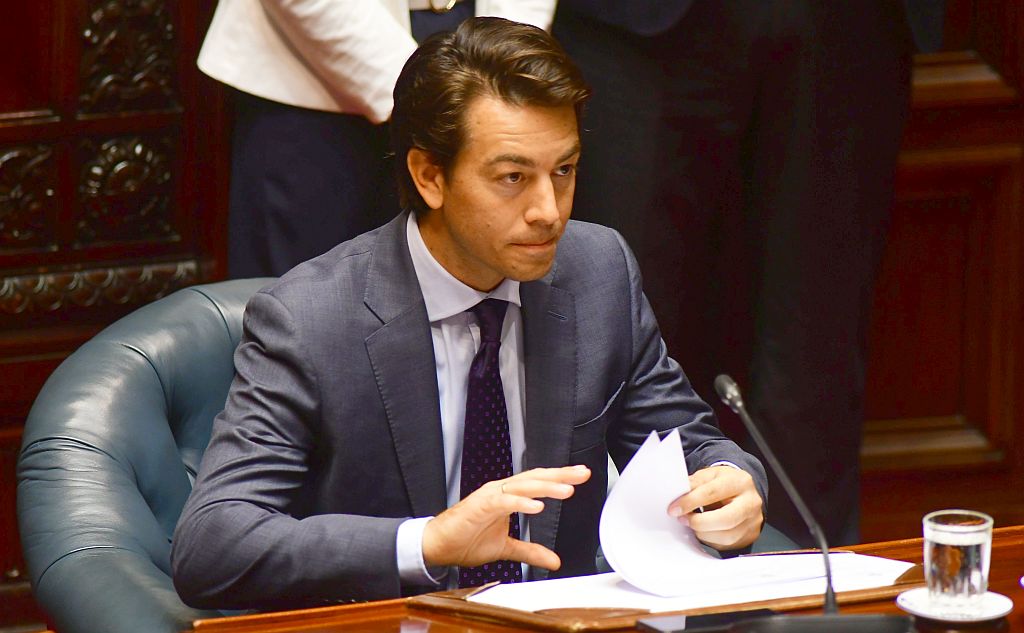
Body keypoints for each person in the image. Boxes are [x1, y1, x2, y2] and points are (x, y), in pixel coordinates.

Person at [172, 18, 767, 610]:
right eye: (512, 177)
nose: (548, 211)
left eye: (563, 170)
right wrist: (427, 543)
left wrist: (732, 483)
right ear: (430, 176)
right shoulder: (311, 318)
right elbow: (213, 546)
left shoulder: (598, 271)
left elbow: (688, 443)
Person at [553, 1, 918, 547]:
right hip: (636, 28)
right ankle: (629, 566)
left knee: (818, 336)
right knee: (621, 305)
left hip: (846, 21)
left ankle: (803, 589)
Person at [198, 0, 557, 278]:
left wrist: (508, 56)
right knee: (310, 320)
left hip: (479, 44)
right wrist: (424, 96)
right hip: (310, 79)